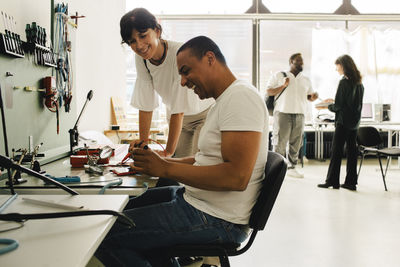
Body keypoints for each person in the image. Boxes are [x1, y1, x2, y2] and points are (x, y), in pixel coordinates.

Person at [95, 36, 269, 267]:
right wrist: (161, 162)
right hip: (200, 202)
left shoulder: (241, 97)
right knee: (126, 206)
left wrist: (166, 167)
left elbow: (236, 177)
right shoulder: (225, 99)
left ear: (209, 58)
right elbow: (203, 160)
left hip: (219, 218)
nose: (183, 82)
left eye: (186, 72)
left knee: (104, 235)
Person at [120, 8, 214, 159]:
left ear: (157, 31)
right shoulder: (142, 59)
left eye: (143, 36)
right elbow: (146, 104)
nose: (139, 45)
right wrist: (143, 145)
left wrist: (168, 152)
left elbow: (180, 110)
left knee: (195, 162)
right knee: (177, 166)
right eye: (132, 41)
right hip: (176, 118)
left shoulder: (179, 53)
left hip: (202, 115)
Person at [266, 53, 318, 178]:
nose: (301, 64)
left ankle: (292, 167)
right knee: (280, 142)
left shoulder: (306, 79)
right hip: (283, 113)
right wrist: (283, 85)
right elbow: (269, 91)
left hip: (300, 114)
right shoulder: (279, 75)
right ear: (291, 62)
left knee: (296, 142)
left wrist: (313, 97)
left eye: (302, 62)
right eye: (298, 62)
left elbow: (309, 97)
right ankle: (276, 167)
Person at [318, 55, 364, 191]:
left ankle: (332, 181)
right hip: (354, 123)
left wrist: (327, 105)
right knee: (352, 152)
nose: (336, 69)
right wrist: (334, 102)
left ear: (343, 66)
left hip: (343, 122)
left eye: (337, 66)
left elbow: (338, 105)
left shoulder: (343, 82)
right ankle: (351, 182)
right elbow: (352, 103)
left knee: (336, 151)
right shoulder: (359, 82)